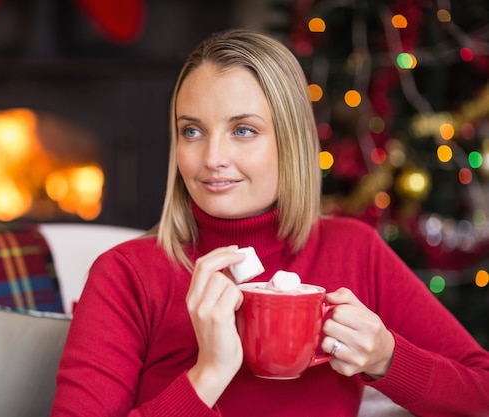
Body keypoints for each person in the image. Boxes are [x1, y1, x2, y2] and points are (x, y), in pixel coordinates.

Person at [50, 29, 489, 416]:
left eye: (243, 130)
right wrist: (208, 375)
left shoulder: (354, 249)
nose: (212, 159)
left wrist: (389, 359)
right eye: (192, 131)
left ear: (291, 141)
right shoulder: (126, 275)